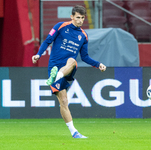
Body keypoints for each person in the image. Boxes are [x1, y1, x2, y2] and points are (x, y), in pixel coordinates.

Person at [32, 5, 106, 138]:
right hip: (54, 66)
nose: (80, 20)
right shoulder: (60, 26)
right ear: (72, 17)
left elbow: (85, 57)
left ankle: (57, 76)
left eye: (83, 18)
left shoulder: (83, 36)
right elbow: (48, 41)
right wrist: (38, 54)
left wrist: (98, 64)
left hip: (68, 68)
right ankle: (74, 132)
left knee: (72, 60)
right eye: (78, 17)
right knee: (64, 101)